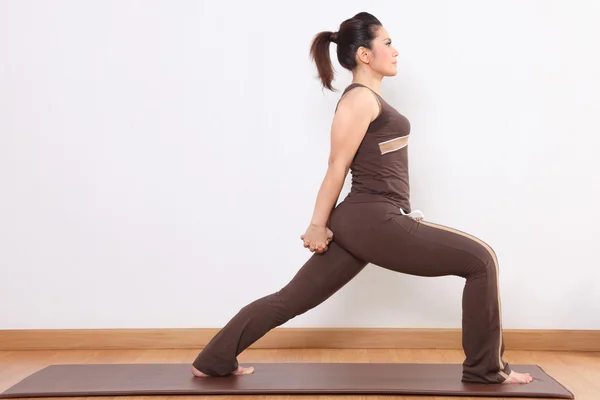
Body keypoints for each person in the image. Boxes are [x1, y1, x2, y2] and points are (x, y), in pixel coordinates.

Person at [190, 12, 533, 385]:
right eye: (387, 42)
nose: (395, 50)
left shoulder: (369, 100)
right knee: (481, 259)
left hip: (365, 221)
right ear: (365, 55)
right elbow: (337, 165)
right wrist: (317, 224)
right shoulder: (360, 100)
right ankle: (485, 369)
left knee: (290, 300)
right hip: (372, 218)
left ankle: (214, 359)